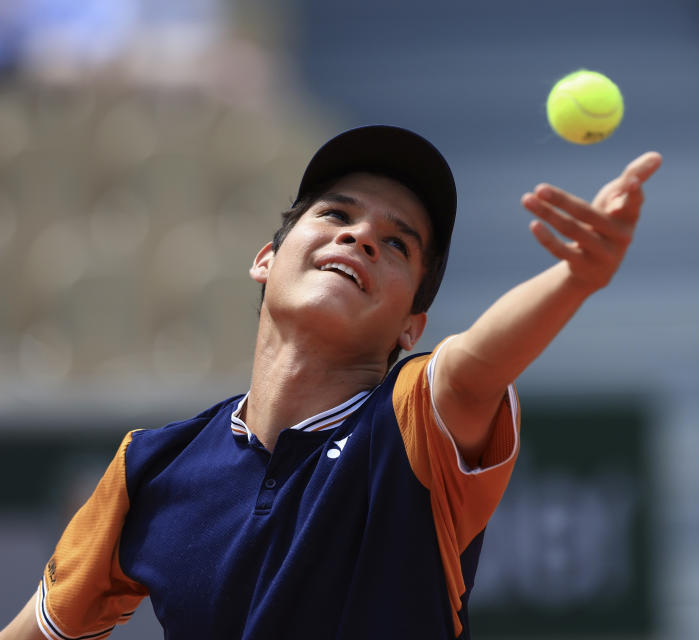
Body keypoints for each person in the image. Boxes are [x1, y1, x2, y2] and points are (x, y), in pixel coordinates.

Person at [0, 125, 661, 640]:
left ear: (411, 326)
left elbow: (476, 365)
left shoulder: (410, 427)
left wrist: (574, 279)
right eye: (336, 215)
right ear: (266, 259)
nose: (362, 237)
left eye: (397, 244)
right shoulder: (150, 467)